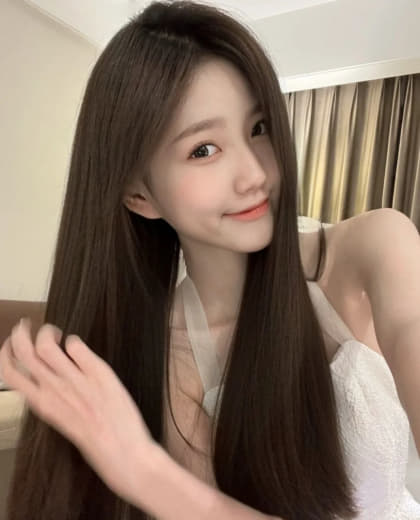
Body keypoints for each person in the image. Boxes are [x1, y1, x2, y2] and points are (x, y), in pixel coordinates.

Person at [0, 1, 419, 518]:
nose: (255, 174)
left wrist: (143, 470)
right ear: (139, 196)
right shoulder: (174, 360)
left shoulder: (376, 247)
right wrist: (142, 466)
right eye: (203, 149)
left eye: (259, 127)